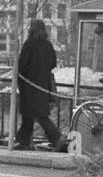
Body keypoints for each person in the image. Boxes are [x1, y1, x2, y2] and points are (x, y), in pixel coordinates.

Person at [14, 19, 65, 152]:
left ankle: (57, 138)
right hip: (43, 84)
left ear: (31, 30)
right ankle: (23, 141)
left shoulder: (29, 44)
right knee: (30, 115)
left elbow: (22, 66)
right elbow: (53, 63)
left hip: (29, 85)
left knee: (38, 115)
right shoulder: (48, 45)